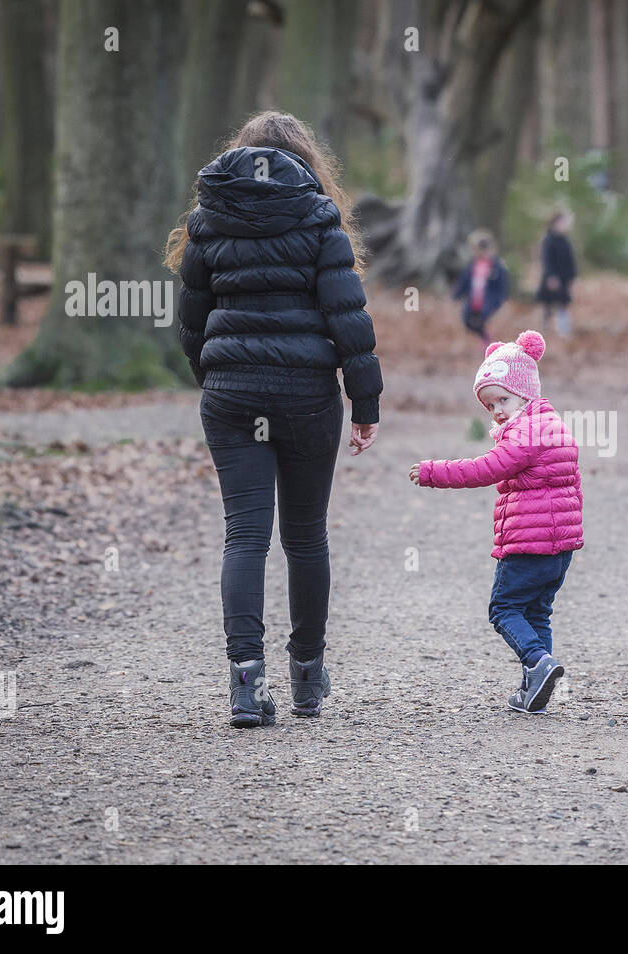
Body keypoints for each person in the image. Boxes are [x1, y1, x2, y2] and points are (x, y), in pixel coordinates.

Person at [164, 111, 382, 728]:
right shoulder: (318, 218)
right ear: (307, 160)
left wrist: (213, 377)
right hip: (306, 395)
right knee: (306, 536)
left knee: (245, 536)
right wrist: (364, 403)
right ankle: (308, 680)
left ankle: (244, 685)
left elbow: (192, 321)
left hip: (232, 398)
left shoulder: (209, 220)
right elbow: (349, 320)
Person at [409, 331, 582, 713]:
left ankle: (538, 664)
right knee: (537, 612)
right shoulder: (553, 425)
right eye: (489, 405)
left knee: (503, 609)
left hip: (527, 544)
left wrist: (434, 472)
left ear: (525, 391)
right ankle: (533, 689)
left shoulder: (524, 434)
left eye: (503, 399)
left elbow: (486, 468)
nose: (497, 410)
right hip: (559, 547)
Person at [452, 230, 509, 346]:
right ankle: (485, 339)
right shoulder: (472, 265)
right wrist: (456, 295)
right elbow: (464, 281)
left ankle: (488, 343)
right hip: (473, 300)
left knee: (482, 320)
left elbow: (502, 285)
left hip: (489, 300)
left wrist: (500, 299)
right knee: (467, 320)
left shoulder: (497, 266)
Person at [535, 210, 578, 338]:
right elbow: (546, 260)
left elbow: (571, 261)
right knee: (547, 305)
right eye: (565, 222)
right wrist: (550, 276)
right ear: (556, 222)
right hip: (551, 278)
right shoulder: (548, 240)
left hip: (564, 279)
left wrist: (572, 277)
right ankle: (545, 331)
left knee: (563, 304)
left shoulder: (565, 241)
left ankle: (563, 330)